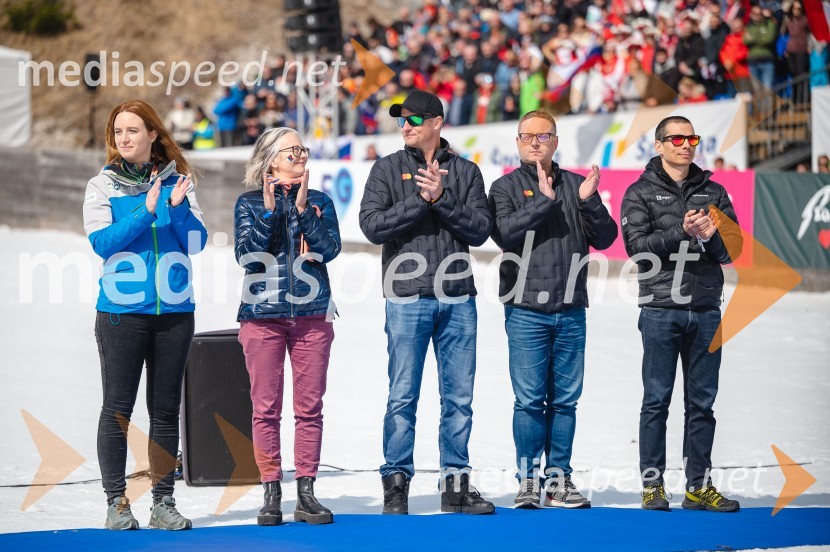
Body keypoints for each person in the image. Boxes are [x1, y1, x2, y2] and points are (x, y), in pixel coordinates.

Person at [358, 90, 495, 515]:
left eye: (414, 119)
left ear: (437, 122)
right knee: (402, 396)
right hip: (406, 297)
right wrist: (421, 200)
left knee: (459, 400)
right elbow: (371, 226)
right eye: (401, 120)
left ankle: (455, 487)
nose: (406, 126)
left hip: (458, 298)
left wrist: (443, 199)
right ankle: (396, 484)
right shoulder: (386, 168)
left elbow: (480, 230)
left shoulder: (467, 171)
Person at [82, 100, 208, 530]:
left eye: (133, 130)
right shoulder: (102, 185)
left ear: (153, 134)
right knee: (117, 409)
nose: (124, 138)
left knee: (165, 411)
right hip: (121, 313)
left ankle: (163, 502)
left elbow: (196, 243)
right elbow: (103, 243)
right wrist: (146, 211)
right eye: (118, 132)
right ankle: (116, 503)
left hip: (175, 311)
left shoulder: (179, 182)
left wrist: (177, 208)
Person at [487, 110, 618, 509]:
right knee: (529, 401)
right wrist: (543, 203)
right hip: (525, 309)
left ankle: (559, 480)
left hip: (570, 309)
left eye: (543, 136)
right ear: (517, 142)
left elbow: (607, 238)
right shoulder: (504, 187)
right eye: (527, 136)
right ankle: (528, 480)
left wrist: (589, 202)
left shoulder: (578, 186)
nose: (535, 142)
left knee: (564, 402)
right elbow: (504, 234)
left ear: (556, 141)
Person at [620, 116, 742, 513]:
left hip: (705, 309)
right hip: (660, 309)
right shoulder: (639, 192)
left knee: (702, 404)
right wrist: (681, 232)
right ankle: (652, 487)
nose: (686, 145)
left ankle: (698, 487)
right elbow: (636, 249)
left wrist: (710, 237)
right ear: (658, 145)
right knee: (656, 401)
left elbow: (734, 251)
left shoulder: (714, 191)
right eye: (676, 139)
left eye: (691, 138)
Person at [234, 128, 342, 526]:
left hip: (312, 316)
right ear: (271, 159)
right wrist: (269, 214)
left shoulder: (319, 201)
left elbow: (329, 249)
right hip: (262, 316)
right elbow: (247, 256)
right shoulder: (248, 203)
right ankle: (271, 492)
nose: (301, 155)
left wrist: (302, 212)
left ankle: (306, 493)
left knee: (309, 408)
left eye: (302, 149)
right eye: (292, 150)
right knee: (266, 409)